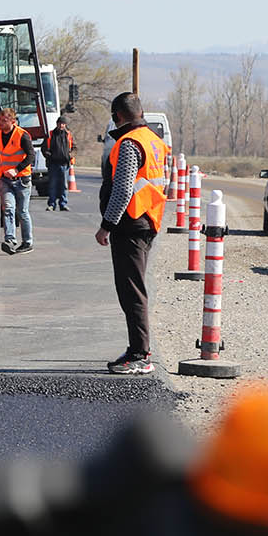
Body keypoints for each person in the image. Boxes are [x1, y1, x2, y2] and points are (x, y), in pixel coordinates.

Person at [95, 92, 169, 374]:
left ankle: (140, 354)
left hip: (130, 225)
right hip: (148, 221)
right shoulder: (155, 141)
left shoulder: (129, 144)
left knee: (132, 291)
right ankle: (136, 349)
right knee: (133, 288)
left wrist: (107, 225)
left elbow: (124, 188)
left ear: (118, 116)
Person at [0, 107, 35, 254]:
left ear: (13, 121)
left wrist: (17, 169)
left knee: (22, 211)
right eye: (0, 120)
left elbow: (31, 156)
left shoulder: (22, 135)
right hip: (5, 180)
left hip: (22, 180)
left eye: (4, 121)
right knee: (8, 208)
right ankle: (10, 240)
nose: (1, 123)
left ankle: (27, 242)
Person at [44, 116, 75, 211]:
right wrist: (49, 155)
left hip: (64, 164)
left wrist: (70, 155)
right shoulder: (50, 134)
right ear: (57, 124)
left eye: (63, 124)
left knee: (63, 186)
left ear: (65, 125)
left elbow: (74, 147)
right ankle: (51, 204)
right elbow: (44, 148)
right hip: (53, 164)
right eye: (59, 123)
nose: (61, 125)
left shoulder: (68, 135)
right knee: (52, 185)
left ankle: (63, 204)